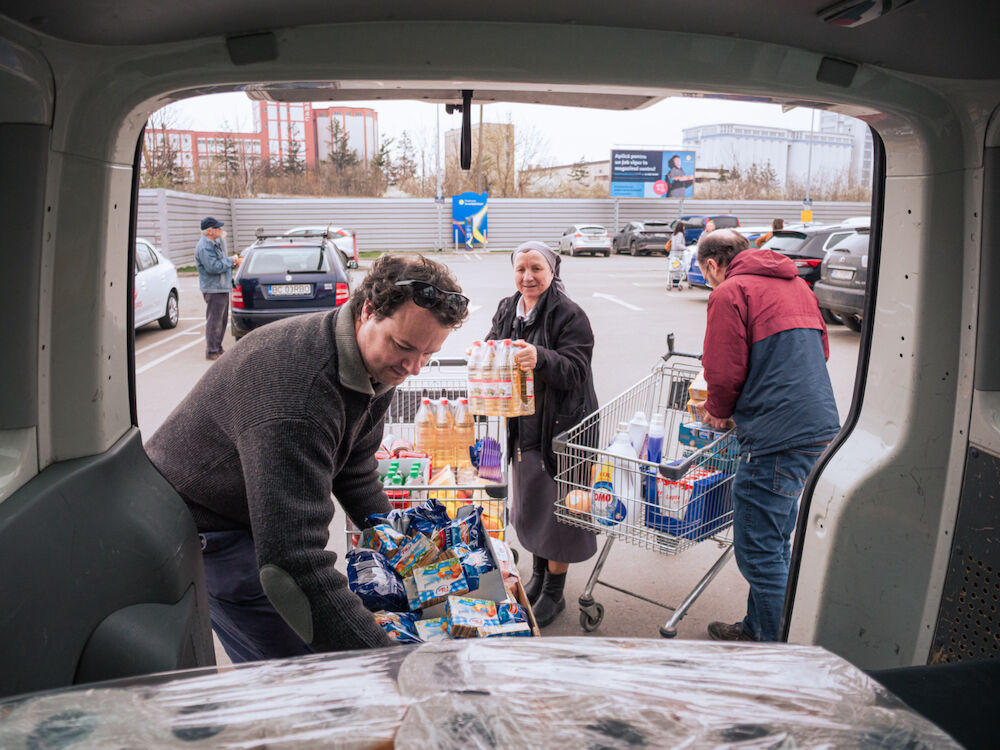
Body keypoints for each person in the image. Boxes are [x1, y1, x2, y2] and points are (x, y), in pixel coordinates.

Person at [146, 255, 468, 662]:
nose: (414, 368)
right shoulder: (299, 397)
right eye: (404, 346)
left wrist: (408, 556)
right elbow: (293, 565)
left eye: (429, 354)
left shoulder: (375, 365)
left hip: (252, 509)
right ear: (368, 310)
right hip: (204, 521)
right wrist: (385, 662)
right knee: (301, 670)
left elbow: (354, 469)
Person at [696, 229, 840, 642]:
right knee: (774, 542)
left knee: (758, 551)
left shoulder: (731, 292)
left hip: (777, 433)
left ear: (712, 265)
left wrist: (719, 413)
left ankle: (780, 650)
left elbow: (722, 371)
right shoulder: (796, 284)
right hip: (817, 426)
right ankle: (758, 627)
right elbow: (822, 351)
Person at [485, 241, 598, 627]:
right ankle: (536, 578)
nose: (527, 277)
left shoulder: (569, 314)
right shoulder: (508, 308)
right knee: (532, 505)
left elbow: (576, 370)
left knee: (560, 515)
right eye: (520, 269)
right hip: (524, 424)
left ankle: (555, 592)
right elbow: (493, 343)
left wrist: (541, 358)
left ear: (552, 271)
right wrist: (484, 354)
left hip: (563, 428)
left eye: (536, 269)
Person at [194, 217, 239, 361]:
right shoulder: (204, 247)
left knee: (222, 320)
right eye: (218, 228)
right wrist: (231, 261)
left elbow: (222, 257)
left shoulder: (214, 243)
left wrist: (223, 241)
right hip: (214, 289)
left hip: (221, 287)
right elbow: (213, 267)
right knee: (215, 321)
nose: (221, 230)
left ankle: (218, 348)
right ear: (209, 231)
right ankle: (212, 350)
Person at [668, 221, 688, 289]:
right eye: (683, 226)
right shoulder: (680, 234)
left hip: (673, 253)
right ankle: (677, 283)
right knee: (679, 268)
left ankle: (674, 282)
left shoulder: (674, 234)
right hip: (678, 253)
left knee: (674, 268)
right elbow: (678, 244)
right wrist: (686, 248)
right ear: (681, 227)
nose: (684, 228)